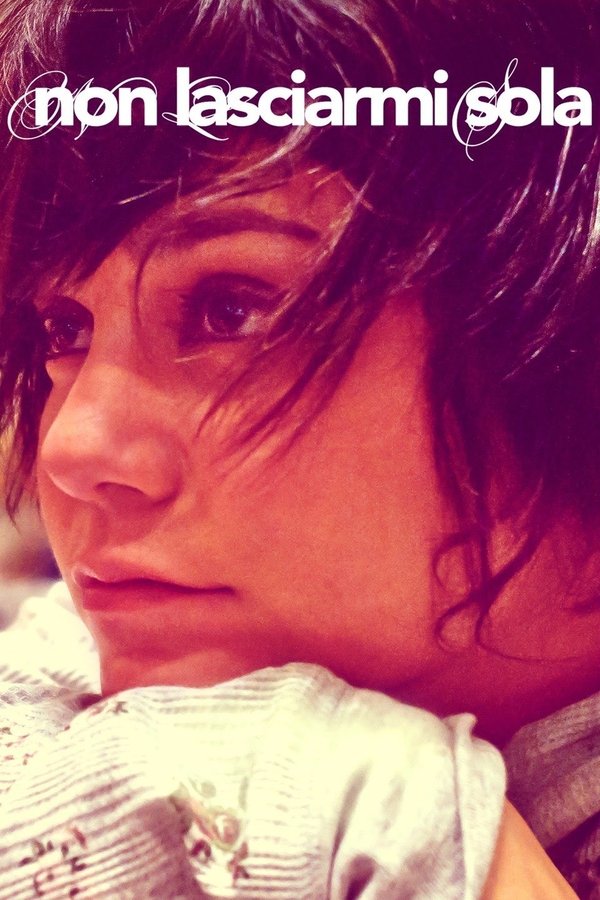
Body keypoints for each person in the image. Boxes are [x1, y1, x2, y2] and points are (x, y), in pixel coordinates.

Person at [0, 0, 597, 896]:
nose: (71, 449)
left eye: (232, 309)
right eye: (65, 329)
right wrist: (318, 792)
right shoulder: (82, 656)